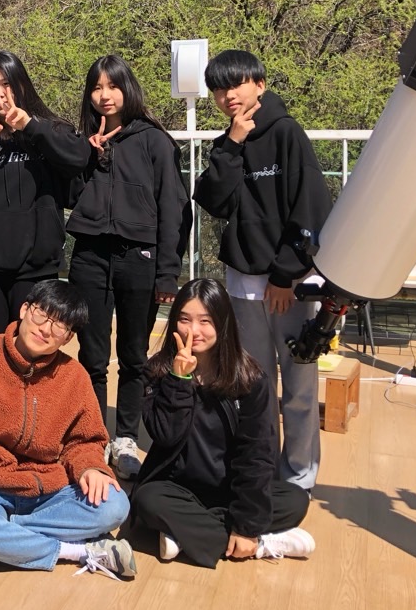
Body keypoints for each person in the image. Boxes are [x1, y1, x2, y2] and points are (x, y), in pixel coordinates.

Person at [192, 49, 333, 491]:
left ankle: (299, 476)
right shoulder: (230, 140)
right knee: (254, 385)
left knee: (299, 382)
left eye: (236, 84)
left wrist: (285, 274)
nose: (228, 96)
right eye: (219, 90)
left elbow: (310, 208)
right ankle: (262, 470)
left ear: (260, 84)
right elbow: (213, 201)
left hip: (287, 284)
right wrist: (232, 144)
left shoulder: (288, 133)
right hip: (241, 284)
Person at [0, 280, 135, 579]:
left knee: (115, 505)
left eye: (60, 325)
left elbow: (85, 440)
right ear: (25, 309)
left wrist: (91, 467)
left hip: (52, 490)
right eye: (42, 314)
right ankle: (79, 551)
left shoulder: (74, 376)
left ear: (68, 337)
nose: (46, 329)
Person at [130, 278, 315, 567]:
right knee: (147, 499)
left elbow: (257, 454)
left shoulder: (249, 379)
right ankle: (260, 544)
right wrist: (179, 379)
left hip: (230, 488)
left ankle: (188, 535)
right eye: (184, 320)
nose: (193, 331)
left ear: (223, 322)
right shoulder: (158, 371)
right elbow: (165, 435)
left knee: (295, 498)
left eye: (205, 321)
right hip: (177, 488)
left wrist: (246, 524)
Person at [67, 54, 189, 479]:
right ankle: (93, 436)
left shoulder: (155, 141)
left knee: (134, 356)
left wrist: (168, 272)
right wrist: (86, 157)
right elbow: (69, 196)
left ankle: (125, 438)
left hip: (140, 258)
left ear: (128, 89)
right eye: (96, 87)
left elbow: (173, 209)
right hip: (89, 256)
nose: (104, 95)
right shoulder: (83, 142)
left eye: (112, 86)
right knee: (92, 355)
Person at [0, 52, 87, 339]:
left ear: (21, 84)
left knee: (33, 349)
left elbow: (78, 158)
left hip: (36, 269)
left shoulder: (48, 128)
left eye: (5, 83)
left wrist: (30, 127)